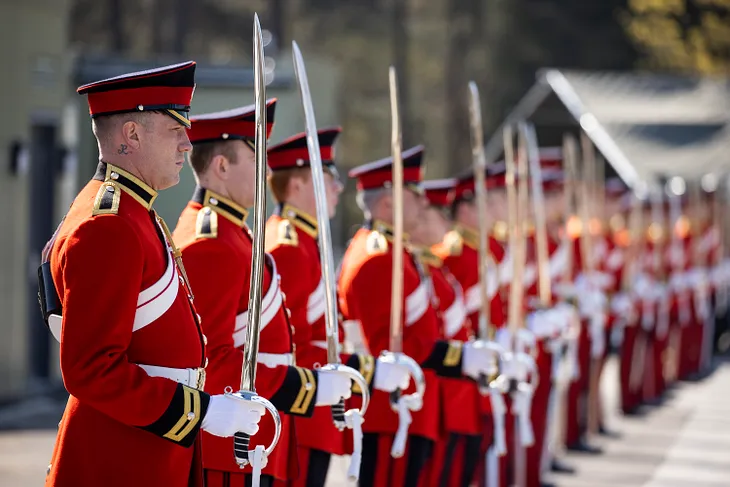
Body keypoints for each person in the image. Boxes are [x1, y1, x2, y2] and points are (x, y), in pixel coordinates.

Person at [39, 62, 266, 487]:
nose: (187, 144)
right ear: (132, 135)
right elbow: (91, 368)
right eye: (174, 130)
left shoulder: (134, 213)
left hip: (152, 447)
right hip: (120, 457)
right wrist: (202, 410)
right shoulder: (108, 223)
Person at [172, 105, 356, 487]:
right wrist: (305, 388)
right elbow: (212, 359)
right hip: (232, 443)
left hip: (255, 430)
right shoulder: (213, 241)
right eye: (256, 158)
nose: (267, 171)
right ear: (222, 167)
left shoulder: (233, 232)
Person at [338, 146, 500, 487]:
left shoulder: (395, 253)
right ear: (387, 204)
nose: (425, 204)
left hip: (408, 409)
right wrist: (458, 357)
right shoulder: (378, 257)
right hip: (391, 411)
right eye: (415, 197)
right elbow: (387, 348)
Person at [264, 127, 412, 487]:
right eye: (328, 178)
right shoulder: (286, 245)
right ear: (297, 185)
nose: (338, 188)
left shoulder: (303, 240)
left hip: (316, 408)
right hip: (300, 411)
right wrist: (365, 369)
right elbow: (291, 342)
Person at [413, 178, 483, 487]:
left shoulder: (433, 267)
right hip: (439, 389)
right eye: (440, 214)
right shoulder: (425, 267)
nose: (447, 222)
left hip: (455, 387)